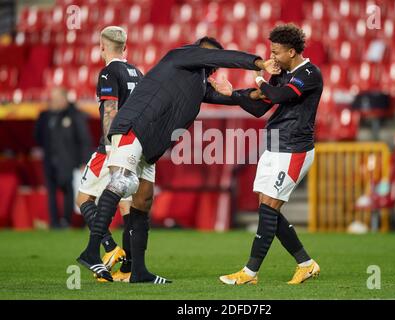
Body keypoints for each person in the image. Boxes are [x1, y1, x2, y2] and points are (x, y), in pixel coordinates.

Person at [76, 36, 280, 283]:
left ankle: (137, 271)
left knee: (143, 200)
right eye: (209, 58)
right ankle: (91, 251)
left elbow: (235, 100)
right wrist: (259, 63)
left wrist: (254, 94)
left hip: (150, 143)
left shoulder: (197, 83)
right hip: (135, 126)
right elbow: (219, 57)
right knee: (120, 182)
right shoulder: (181, 55)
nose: (210, 64)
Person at [212, 23, 323, 285]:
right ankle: (306, 263)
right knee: (267, 209)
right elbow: (260, 106)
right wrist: (233, 94)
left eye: (276, 53)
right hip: (275, 146)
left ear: (292, 52)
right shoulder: (283, 73)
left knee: (269, 209)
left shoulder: (309, 73)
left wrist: (261, 77)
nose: (272, 58)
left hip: (294, 149)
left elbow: (281, 95)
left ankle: (249, 273)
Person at [76, 26, 143, 282]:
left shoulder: (108, 72)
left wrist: (109, 148)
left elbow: (110, 112)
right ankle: (128, 269)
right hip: (134, 148)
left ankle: (109, 248)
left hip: (112, 148)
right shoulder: (138, 72)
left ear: (102, 47)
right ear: (125, 47)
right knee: (127, 208)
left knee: (83, 198)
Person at [35, 87, 92, 229]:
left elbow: (84, 139)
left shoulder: (74, 115)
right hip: (50, 161)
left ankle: (67, 221)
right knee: (52, 193)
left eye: (58, 98)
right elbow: (37, 136)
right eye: (53, 99)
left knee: (68, 191)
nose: (54, 101)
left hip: (69, 161)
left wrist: (84, 160)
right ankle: (54, 222)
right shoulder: (46, 116)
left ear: (65, 99)